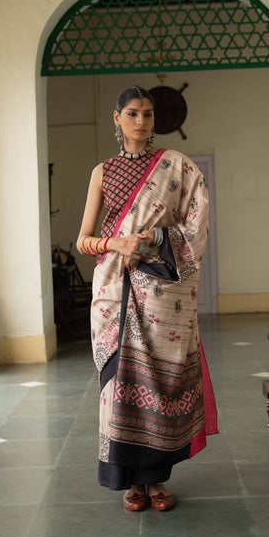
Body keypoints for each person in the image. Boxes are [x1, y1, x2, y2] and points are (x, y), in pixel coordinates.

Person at [77, 85, 217, 512]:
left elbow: (197, 221)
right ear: (116, 118)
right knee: (121, 384)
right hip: (114, 291)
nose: (142, 122)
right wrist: (114, 244)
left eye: (149, 115)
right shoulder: (103, 172)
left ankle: (156, 481)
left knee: (161, 383)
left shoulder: (177, 166)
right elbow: (83, 240)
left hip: (165, 294)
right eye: (134, 114)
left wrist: (158, 235)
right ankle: (129, 483)